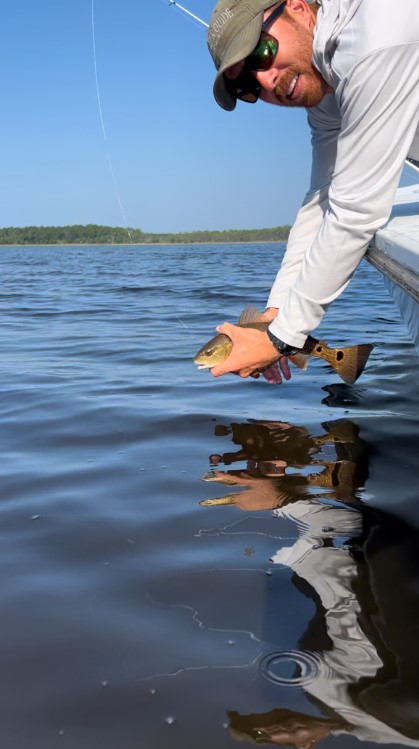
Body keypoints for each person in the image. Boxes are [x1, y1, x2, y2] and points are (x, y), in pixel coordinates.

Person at [207, 0, 419, 384]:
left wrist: (281, 340)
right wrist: (276, 313)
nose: (266, 81)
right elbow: (321, 198)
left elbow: (355, 211)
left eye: (261, 52)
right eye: (248, 88)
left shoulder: (374, 37)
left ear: (299, 7)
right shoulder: (326, 96)